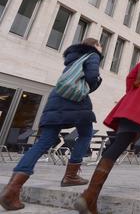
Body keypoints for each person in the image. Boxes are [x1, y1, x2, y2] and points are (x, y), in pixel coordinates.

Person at [74, 39, 140, 214]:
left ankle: (90, 194)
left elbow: (130, 78)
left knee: (119, 144)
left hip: (134, 102)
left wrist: (134, 95)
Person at [0, 39, 103, 211]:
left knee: (44, 142)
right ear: (95, 46)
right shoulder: (92, 55)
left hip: (56, 100)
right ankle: (70, 176)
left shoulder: (72, 59)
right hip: (76, 101)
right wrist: (94, 84)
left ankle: (12, 187)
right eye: (100, 46)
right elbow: (92, 76)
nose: (101, 50)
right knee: (85, 134)